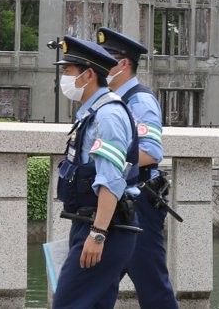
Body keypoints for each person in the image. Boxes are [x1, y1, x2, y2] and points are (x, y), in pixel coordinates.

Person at [51, 36, 140, 309]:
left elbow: (111, 180)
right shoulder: (91, 112)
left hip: (106, 228)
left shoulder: (108, 116)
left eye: (68, 71)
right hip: (91, 223)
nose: (63, 78)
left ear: (88, 75)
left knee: (69, 304)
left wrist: (97, 234)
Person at [96, 27, 178, 308]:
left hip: (138, 202)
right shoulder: (108, 100)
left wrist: (105, 161)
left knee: (153, 288)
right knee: (92, 284)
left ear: (123, 63)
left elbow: (150, 152)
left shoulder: (139, 101)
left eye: (104, 59)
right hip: (114, 199)